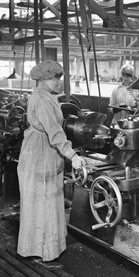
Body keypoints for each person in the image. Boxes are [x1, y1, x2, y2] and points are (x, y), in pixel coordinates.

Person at [17, 60, 86, 264]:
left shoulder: (48, 96)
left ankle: (49, 247)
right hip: (39, 152)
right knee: (42, 201)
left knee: (46, 201)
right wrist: (72, 155)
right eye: (57, 79)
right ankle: (42, 249)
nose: (59, 83)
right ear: (46, 79)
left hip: (44, 149)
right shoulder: (41, 99)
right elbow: (54, 131)